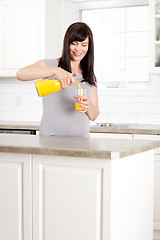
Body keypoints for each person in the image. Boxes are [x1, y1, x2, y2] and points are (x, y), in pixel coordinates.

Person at [16, 22, 99, 137]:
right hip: (50, 140)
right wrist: (56, 71)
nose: (78, 49)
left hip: (82, 143)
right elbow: (21, 74)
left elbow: (94, 116)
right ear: (67, 44)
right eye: (74, 43)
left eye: (84, 45)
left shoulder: (88, 75)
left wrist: (88, 105)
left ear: (89, 47)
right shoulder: (51, 64)